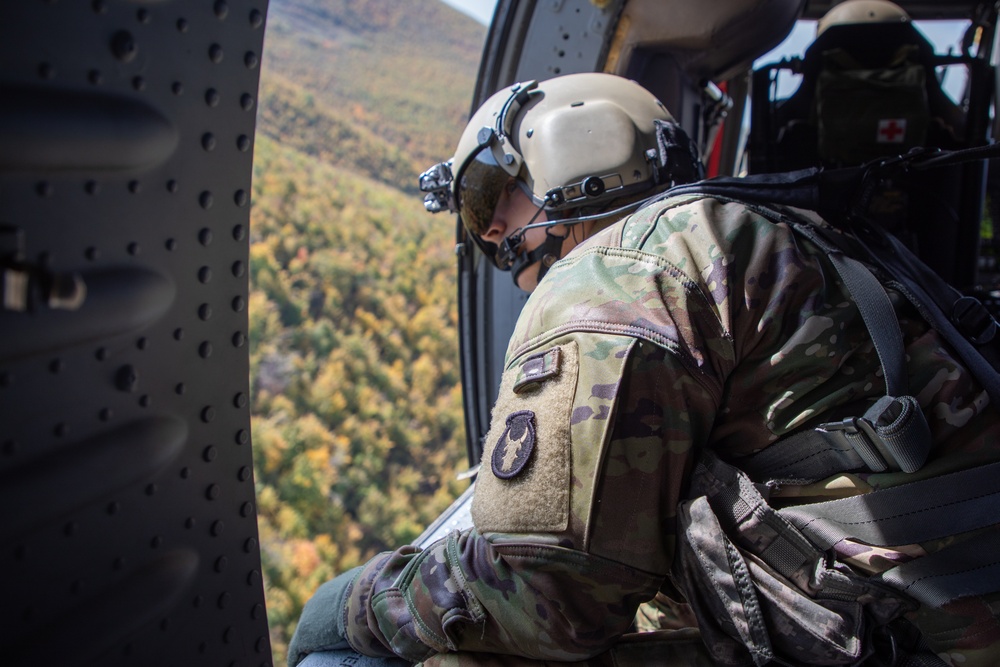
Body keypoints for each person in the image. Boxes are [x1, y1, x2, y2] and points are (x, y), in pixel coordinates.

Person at [289, 72, 1000, 666]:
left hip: (912, 639)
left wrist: (353, 600)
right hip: (941, 607)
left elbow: (544, 597)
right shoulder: (776, 228)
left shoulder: (621, 268)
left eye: (488, 199)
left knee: (362, 657)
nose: (494, 235)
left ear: (573, 150)